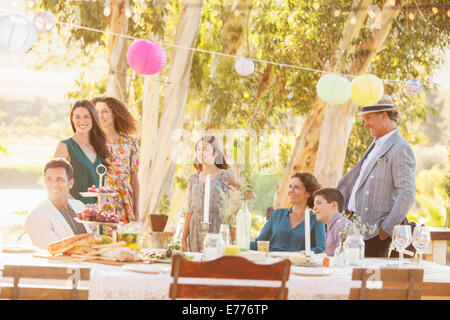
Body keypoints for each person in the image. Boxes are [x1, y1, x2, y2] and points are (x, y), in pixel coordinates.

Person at [337, 94, 416, 257]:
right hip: (355, 227)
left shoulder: (400, 148)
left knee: (370, 280)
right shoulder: (377, 143)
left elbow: (407, 193)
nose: (365, 124)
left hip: (375, 234)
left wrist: (385, 229)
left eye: (368, 118)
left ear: (384, 115)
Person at [181, 135, 251, 252]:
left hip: (216, 229)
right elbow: (189, 211)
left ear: (215, 153)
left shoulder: (225, 176)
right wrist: (183, 238)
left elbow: (248, 194)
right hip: (195, 230)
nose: (201, 153)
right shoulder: (193, 179)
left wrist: (236, 211)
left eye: (205, 149)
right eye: (198, 149)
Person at [250, 172, 325, 253]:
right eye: (290, 186)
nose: (291, 191)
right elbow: (259, 243)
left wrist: (300, 254)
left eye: (296, 187)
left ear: (308, 193)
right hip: (271, 262)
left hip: (297, 264)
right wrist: (240, 245)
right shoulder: (276, 215)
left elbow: (320, 248)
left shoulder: (316, 220)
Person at [93, 96, 140, 223]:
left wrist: (137, 208)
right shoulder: (92, 144)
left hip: (124, 199)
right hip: (101, 199)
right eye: (97, 112)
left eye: (104, 111)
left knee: (125, 240)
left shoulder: (130, 143)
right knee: (103, 239)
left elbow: (134, 177)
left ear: (114, 114)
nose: (100, 115)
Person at [54, 100, 110, 204]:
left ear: (93, 118)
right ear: (72, 119)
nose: (82, 121)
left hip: (95, 215)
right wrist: (78, 208)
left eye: (86, 117)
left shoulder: (100, 147)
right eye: (77, 117)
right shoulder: (64, 146)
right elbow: (55, 184)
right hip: (72, 211)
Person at [25, 158, 89, 248]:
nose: (54, 185)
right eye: (49, 180)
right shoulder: (37, 216)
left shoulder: (79, 206)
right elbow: (53, 252)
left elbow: (92, 239)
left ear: (71, 183)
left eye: (59, 180)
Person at [313, 188, 350, 256]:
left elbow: (344, 257)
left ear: (334, 205)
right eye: (314, 205)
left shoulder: (342, 225)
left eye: (318, 203)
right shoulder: (332, 226)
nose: (314, 208)